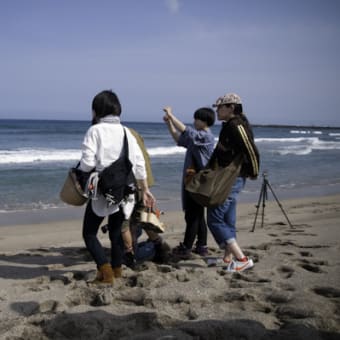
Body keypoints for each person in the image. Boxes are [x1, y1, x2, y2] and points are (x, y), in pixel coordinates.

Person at [78, 90, 155, 285]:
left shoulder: (95, 131)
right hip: (125, 191)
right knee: (115, 233)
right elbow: (138, 164)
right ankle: (117, 270)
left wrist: (80, 173)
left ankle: (105, 273)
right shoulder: (127, 132)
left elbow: (87, 164)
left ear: (96, 110)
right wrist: (145, 189)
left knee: (89, 233)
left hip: (104, 191)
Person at [208, 92, 260, 272]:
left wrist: (254, 172)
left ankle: (242, 259)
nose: (217, 111)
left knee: (214, 218)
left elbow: (251, 150)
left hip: (232, 179)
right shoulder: (230, 125)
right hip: (231, 178)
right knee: (227, 218)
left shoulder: (236, 125)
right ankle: (228, 257)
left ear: (231, 107)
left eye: (220, 107)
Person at [163, 106, 215, 258]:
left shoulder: (205, 137)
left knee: (192, 216)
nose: (194, 121)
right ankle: (202, 246)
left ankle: (186, 248)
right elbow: (179, 139)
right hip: (192, 181)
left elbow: (186, 130)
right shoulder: (197, 138)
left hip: (198, 183)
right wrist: (169, 124)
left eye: (196, 119)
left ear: (204, 121)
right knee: (197, 216)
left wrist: (171, 115)